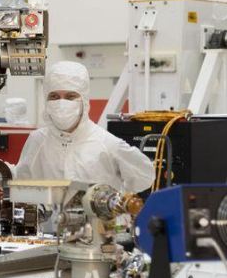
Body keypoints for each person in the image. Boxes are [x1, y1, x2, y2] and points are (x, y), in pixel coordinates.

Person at [15, 61, 155, 192]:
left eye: (70, 96)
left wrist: (118, 198)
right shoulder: (37, 140)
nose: (62, 103)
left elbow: (144, 177)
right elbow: (22, 183)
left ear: (84, 100)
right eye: (54, 96)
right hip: (48, 211)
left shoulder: (107, 144)